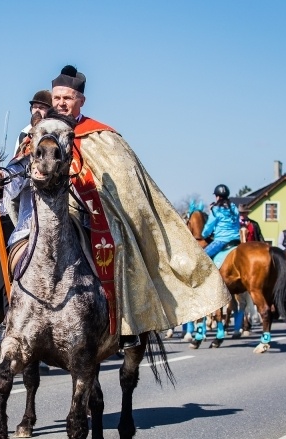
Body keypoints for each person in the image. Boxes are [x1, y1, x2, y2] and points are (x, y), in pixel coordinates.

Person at [49, 65, 230, 344]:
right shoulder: (39, 132)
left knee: (119, 246)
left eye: (67, 98)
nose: (61, 103)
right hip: (49, 211)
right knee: (17, 246)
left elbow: (125, 184)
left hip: (92, 213)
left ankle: (126, 322)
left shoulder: (101, 136)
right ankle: (9, 317)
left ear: (81, 101)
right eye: (57, 97)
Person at [0, 90, 52, 351]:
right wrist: (3, 178)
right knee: (12, 265)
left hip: (62, 211)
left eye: (42, 107)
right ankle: (9, 320)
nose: (37, 110)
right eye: (34, 106)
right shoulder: (26, 139)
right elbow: (18, 172)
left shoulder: (60, 133)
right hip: (30, 218)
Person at [201, 184, 241, 259]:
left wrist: (203, 234)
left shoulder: (216, 209)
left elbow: (209, 226)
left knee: (201, 258)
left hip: (221, 240)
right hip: (236, 240)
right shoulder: (234, 208)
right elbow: (238, 225)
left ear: (218, 197)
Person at [13, 90, 52, 157]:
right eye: (35, 107)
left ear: (50, 111)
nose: (37, 110)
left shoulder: (54, 133)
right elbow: (15, 160)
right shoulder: (23, 134)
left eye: (42, 108)